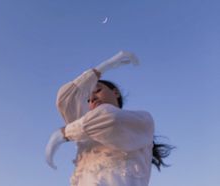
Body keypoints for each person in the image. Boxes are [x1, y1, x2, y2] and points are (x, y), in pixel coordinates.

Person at [45, 51, 173, 186]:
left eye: (98, 90)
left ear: (115, 92)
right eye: (88, 99)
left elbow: (110, 118)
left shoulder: (142, 120)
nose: (92, 98)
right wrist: (103, 67)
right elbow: (65, 99)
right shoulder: (86, 134)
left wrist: (64, 133)